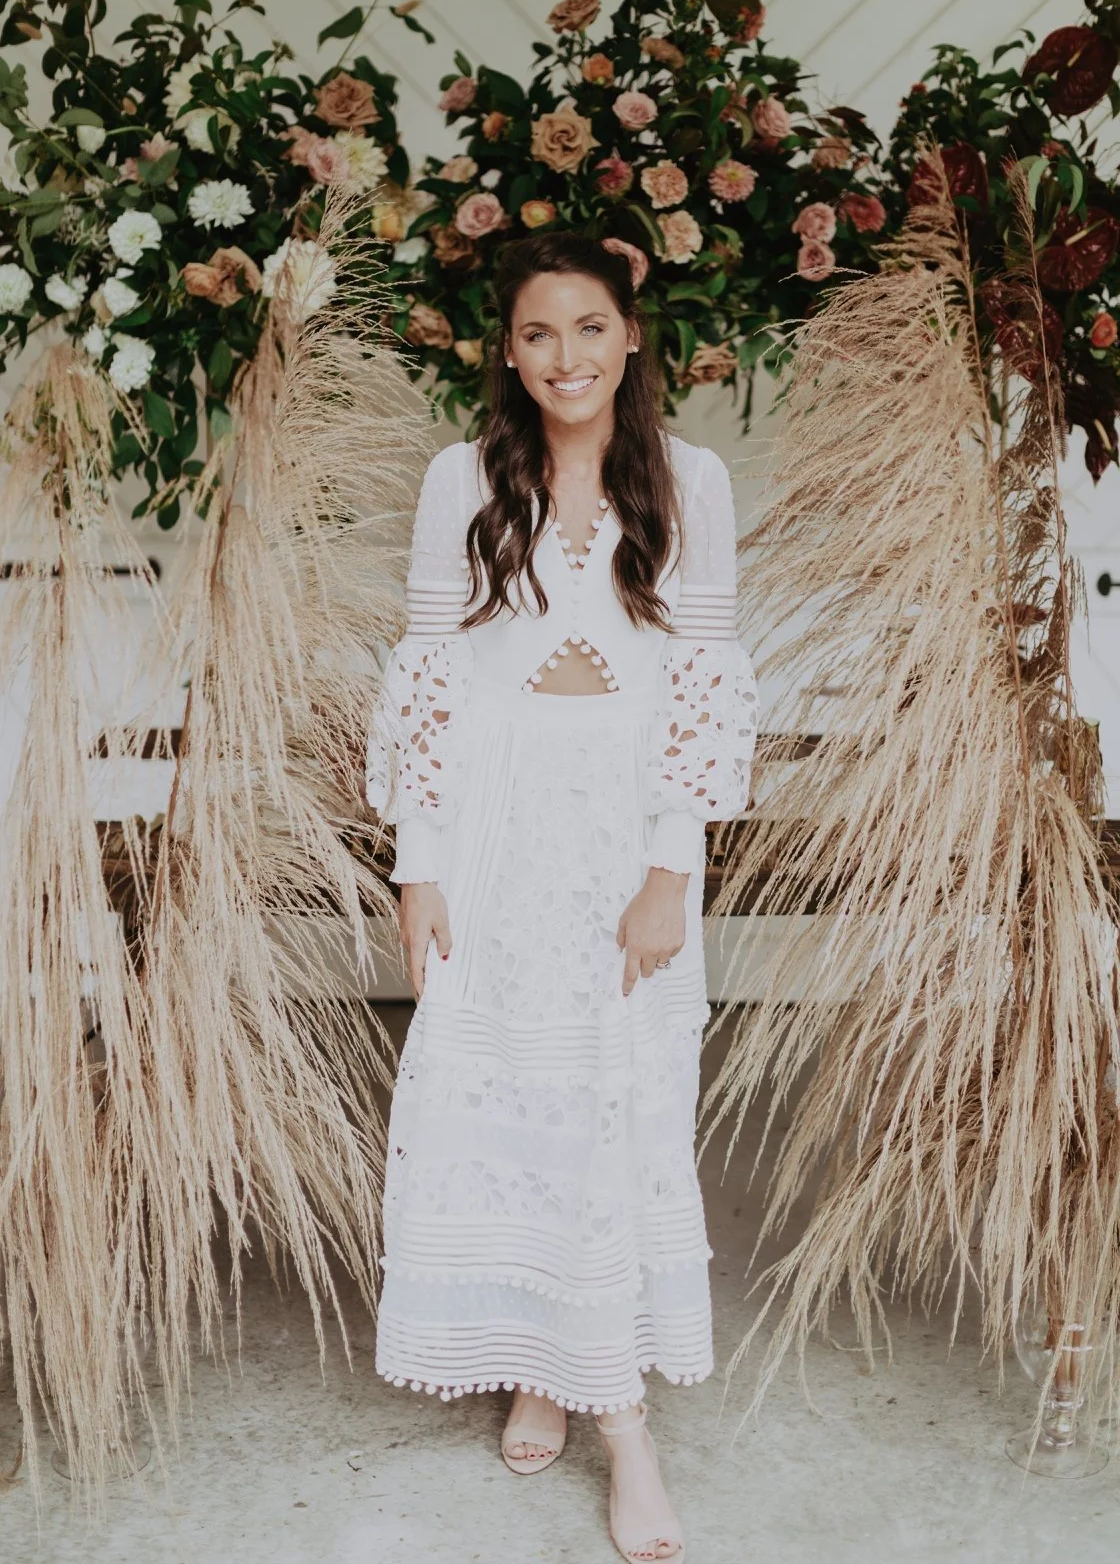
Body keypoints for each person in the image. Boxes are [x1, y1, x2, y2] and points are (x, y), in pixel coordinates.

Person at [365, 230, 758, 1564]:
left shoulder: (689, 482)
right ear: (509, 351)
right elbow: (426, 679)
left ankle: (624, 1429)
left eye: (589, 328)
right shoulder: (462, 478)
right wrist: (417, 864)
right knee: (510, 1097)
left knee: (617, 1104)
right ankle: (544, 1360)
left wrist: (670, 872)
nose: (566, 357)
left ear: (630, 336)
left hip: (622, 839)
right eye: (538, 334)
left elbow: (704, 692)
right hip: (495, 829)